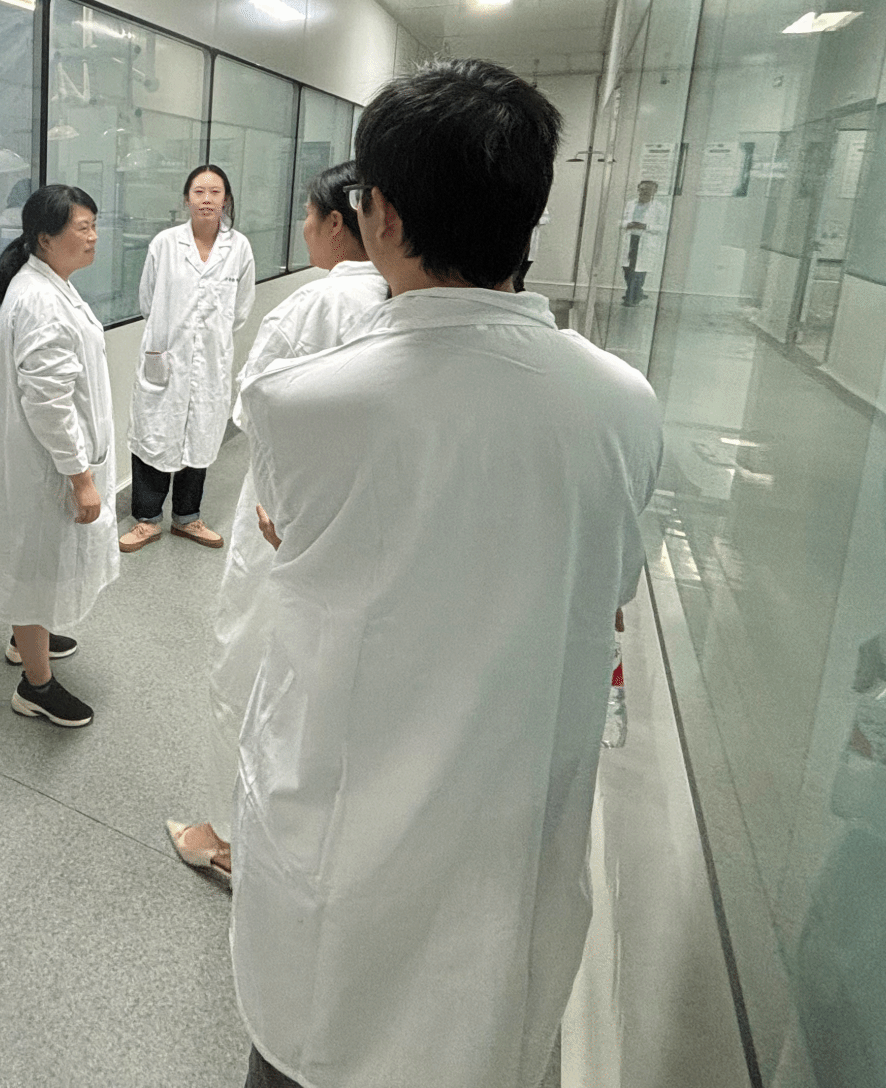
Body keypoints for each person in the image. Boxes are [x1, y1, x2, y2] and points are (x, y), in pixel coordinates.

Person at [230, 61, 662, 1088]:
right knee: (480, 1034)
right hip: (513, 832)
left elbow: (289, 535)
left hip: (348, 824)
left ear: (379, 214)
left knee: (316, 1044)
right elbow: (606, 584)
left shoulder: (303, 402)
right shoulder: (623, 401)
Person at [165, 160, 391, 887]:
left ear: (337, 222)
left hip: (283, 514)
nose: (303, 228)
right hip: (363, 528)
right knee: (329, 684)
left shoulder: (313, 306)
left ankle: (229, 836)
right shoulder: (401, 299)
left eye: (309, 215)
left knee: (250, 665)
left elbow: (253, 408)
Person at [0, 184, 117, 728]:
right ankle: (34, 686)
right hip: (45, 464)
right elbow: (48, 401)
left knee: (34, 560)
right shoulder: (40, 300)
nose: (93, 237)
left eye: (93, 225)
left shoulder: (48, 285)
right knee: (35, 565)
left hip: (38, 460)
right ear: (45, 238)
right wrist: (81, 478)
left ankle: (26, 640)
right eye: (82, 228)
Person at [121, 165, 256, 553]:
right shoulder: (165, 244)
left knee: (200, 433)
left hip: (210, 361)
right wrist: (173, 336)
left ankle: (187, 517)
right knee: (153, 432)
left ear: (226, 199)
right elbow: (148, 300)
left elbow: (241, 309)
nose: (207, 199)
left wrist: (207, 340)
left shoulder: (239, 248)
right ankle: (146, 520)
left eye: (215, 192)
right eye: (199, 192)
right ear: (186, 199)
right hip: (164, 355)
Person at [621, 178, 664, 305]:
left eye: (648, 190)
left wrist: (645, 226)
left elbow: (663, 227)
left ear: (654, 192)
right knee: (627, 269)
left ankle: (631, 298)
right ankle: (637, 292)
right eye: (642, 190)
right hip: (631, 240)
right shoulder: (630, 204)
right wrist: (628, 224)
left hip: (645, 241)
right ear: (638, 190)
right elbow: (622, 221)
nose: (644, 192)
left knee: (638, 271)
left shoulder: (660, 208)